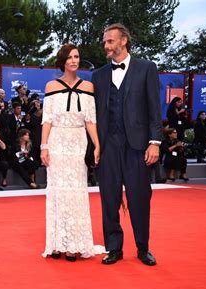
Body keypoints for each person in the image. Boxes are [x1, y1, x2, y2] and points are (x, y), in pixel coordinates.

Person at [92, 24, 162, 266]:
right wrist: (95, 145)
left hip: (138, 145)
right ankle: (114, 247)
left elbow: (155, 109)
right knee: (109, 198)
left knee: (139, 198)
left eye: (110, 41)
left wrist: (155, 142)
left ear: (123, 41)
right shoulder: (98, 75)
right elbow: (96, 113)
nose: (106, 46)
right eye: (105, 42)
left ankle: (143, 248)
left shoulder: (146, 68)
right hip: (109, 144)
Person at [40, 43, 102, 262]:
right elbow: (46, 120)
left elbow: (91, 121)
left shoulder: (88, 87)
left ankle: (74, 245)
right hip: (57, 143)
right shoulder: (50, 86)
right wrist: (44, 146)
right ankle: (57, 244)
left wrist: (96, 145)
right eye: (70, 57)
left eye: (77, 56)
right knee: (57, 192)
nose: (74, 60)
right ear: (62, 61)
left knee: (76, 193)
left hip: (77, 144)